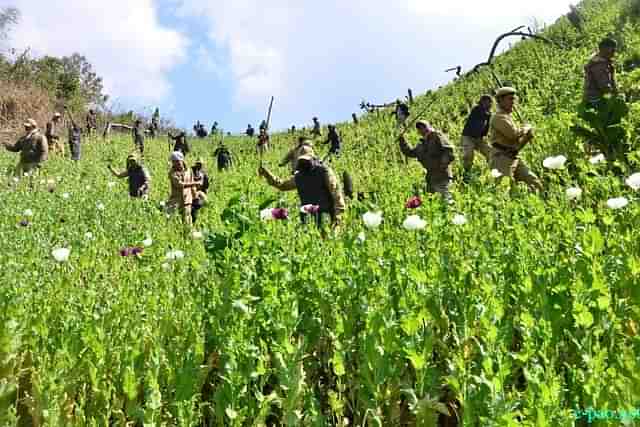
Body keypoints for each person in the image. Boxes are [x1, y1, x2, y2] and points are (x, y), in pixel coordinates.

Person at [259, 154, 345, 229]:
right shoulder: (300, 177)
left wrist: (338, 217)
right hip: (309, 218)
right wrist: (267, 174)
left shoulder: (323, 172)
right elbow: (282, 185)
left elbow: (336, 194)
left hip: (325, 216)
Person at [489, 87, 543, 192]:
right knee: (503, 191)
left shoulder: (508, 117)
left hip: (513, 156)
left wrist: (527, 137)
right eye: (510, 99)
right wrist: (525, 128)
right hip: (501, 159)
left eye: (514, 99)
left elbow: (515, 144)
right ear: (500, 101)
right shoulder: (498, 117)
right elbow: (513, 135)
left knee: (534, 182)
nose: (513, 102)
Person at [398, 120, 455, 203]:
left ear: (429, 126)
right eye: (419, 128)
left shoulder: (437, 135)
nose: (422, 129)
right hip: (431, 178)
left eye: (424, 126)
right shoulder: (421, 146)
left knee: (447, 201)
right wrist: (402, 140)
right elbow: (409, 152)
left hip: (442, 176)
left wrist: (442, 165)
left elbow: (448, 151)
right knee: (433, 203)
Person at [461, 95, 493, 179]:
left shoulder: (488, 114)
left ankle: (493, 170)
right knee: (468, 154)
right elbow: (483, 115)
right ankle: (467, 173)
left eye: (489, 102)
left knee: (489, 152)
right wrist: (489, 114)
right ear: (482, 102)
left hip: (478, 138)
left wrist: (484, 135)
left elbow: (487, 126)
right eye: (486, 101)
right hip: (468, 136)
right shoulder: (477, 109)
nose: (488, 103)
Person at [166, 151, 202, 228]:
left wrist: (195, 198)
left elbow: (192, 187)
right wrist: (195, 183)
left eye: (176, 161)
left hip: (187, 201)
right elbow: (180, 185)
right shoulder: (172, 173)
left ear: (182, 160)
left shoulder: (189, 171)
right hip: (176, 200)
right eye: (173, 161)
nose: (175, 163)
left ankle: (188, 236)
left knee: (187, 220)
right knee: (171, 220)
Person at [584, 38, 617, 106]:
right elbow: (604, 86)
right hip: (595, 99)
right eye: (612, 50)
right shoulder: (598, 64)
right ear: (603, 49)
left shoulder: (603, 61)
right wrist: (616, 92)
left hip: (596, 97)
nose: (614, 52)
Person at [190, 158, 210, 224]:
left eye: (200, 164)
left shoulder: (204, 174)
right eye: (198, 164)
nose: (199, 165)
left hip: (200, 192)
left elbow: (206, 186)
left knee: (204, 203)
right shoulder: (190, 172)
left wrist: (205, 195)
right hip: (191, 191)